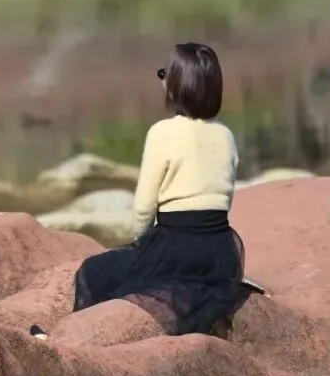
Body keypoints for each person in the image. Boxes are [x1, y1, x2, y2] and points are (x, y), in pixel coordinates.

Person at [31, 42, 246, 339]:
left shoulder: (162, 132)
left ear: (176, 85)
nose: (162, 81)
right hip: (219, 249)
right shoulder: (225, 135)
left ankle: (68, 340)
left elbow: (144, 207)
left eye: (165, 74)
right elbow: (225, 196)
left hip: (175, 244)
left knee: (93, 271)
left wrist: (142, 245)